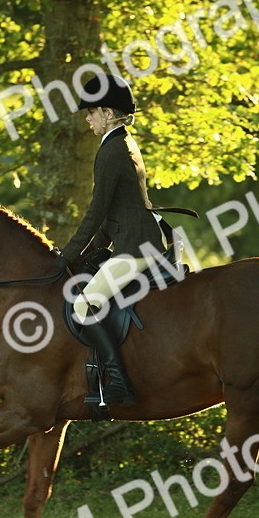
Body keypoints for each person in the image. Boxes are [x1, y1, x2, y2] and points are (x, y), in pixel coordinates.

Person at [54, 74, 164, 406]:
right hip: (133, 240)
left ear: (108, 113)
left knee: (83, 304)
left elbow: (95, 212)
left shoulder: (113, 150)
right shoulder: (119, 143)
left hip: (136, 248)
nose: (87, 119)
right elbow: (110, 213)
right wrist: (89, 252)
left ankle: (118, 381)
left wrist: (66, 257)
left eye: (90, 112)